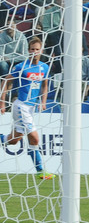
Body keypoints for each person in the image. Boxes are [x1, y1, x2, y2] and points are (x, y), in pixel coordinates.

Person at [0, 38, 55, 180]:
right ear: (28, 51)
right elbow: (6, 80)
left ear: (41, 51)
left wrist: (43, 101)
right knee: (35, 138)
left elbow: (45, 84)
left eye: (37, 49)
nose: (34, 52)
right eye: (32, 49)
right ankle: (40, 171)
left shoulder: (44, 67)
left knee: (13, 140)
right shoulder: (22, 66)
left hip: (31, 108)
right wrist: (2, 102)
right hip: (21, 106)